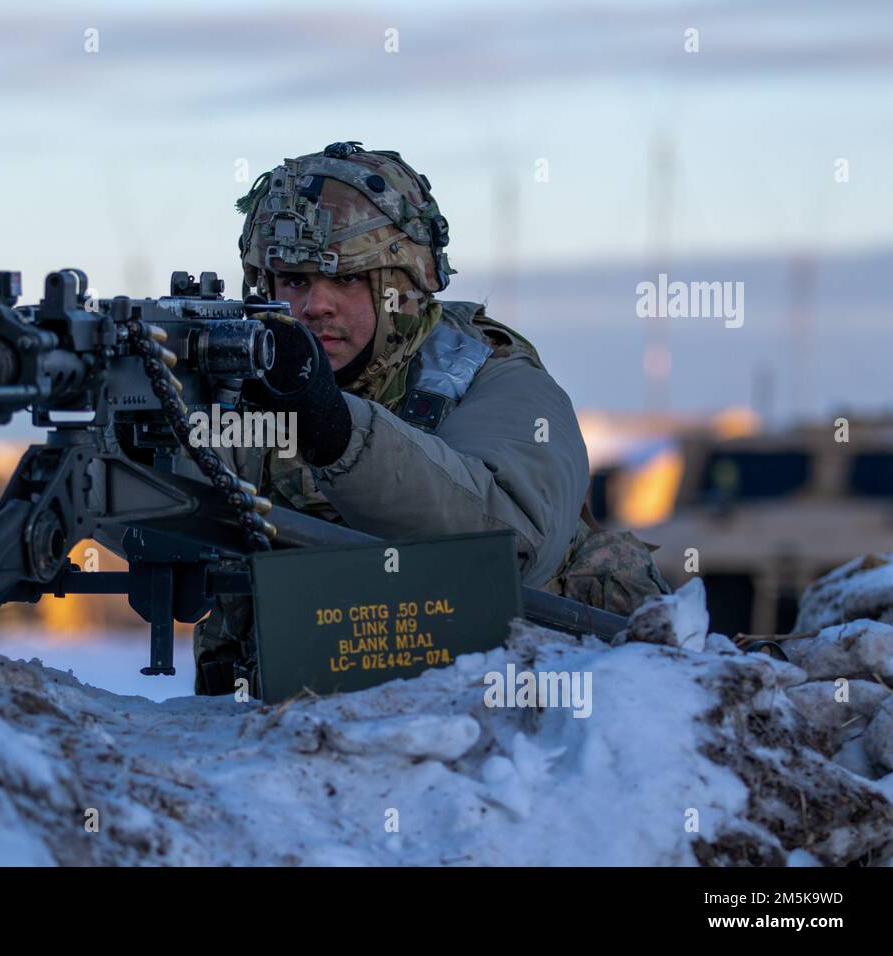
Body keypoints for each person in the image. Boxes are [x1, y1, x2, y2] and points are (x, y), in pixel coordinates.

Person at [191, 141, 670, 695]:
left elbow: (509, 543)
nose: (315, 306)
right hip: (297, 730)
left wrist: (333, 428)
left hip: (519, 720)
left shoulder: (492, 378)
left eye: (347, 280)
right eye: (294, 282)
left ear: (402, 286)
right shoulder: (248, 390)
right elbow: (156, 508)